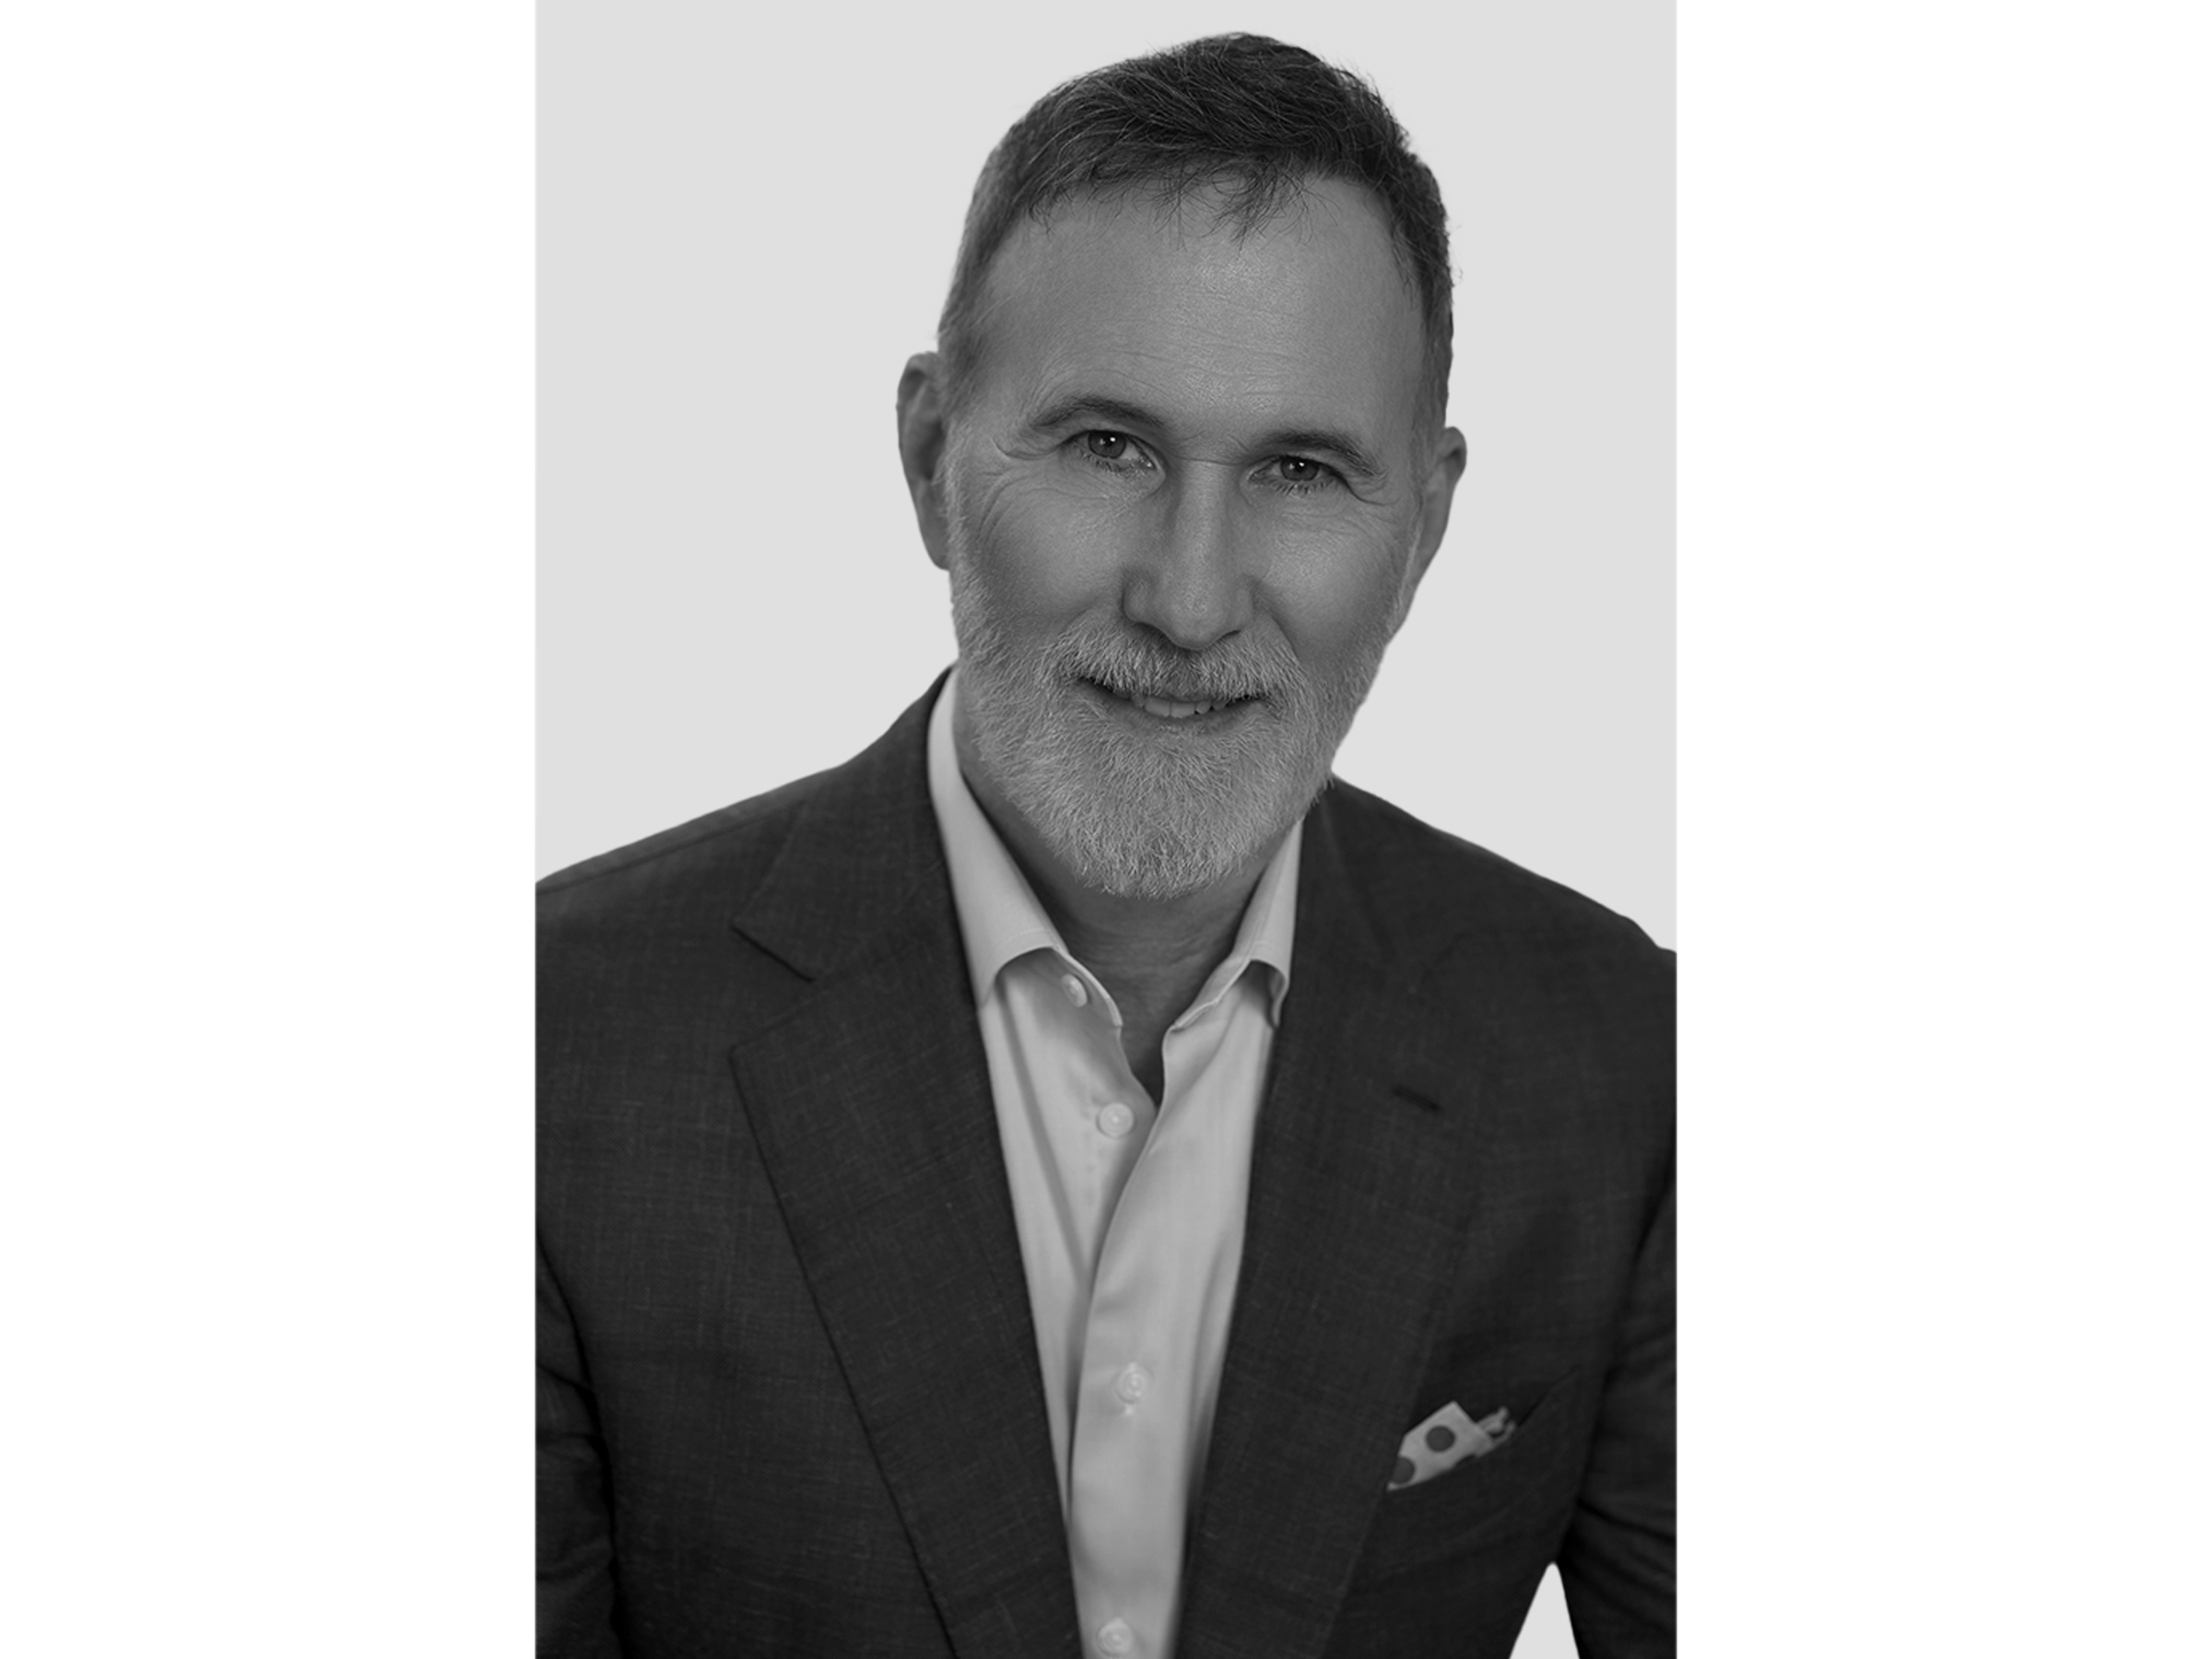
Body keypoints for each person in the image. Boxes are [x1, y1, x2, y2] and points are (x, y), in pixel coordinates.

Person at [538, 32, 1672, 1659]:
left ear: (1425, 525)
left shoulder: (1617, 1059)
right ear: (931, 460)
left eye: (1300, 471)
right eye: (1106, 449)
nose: (1190, 602)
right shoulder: (551, 1051)